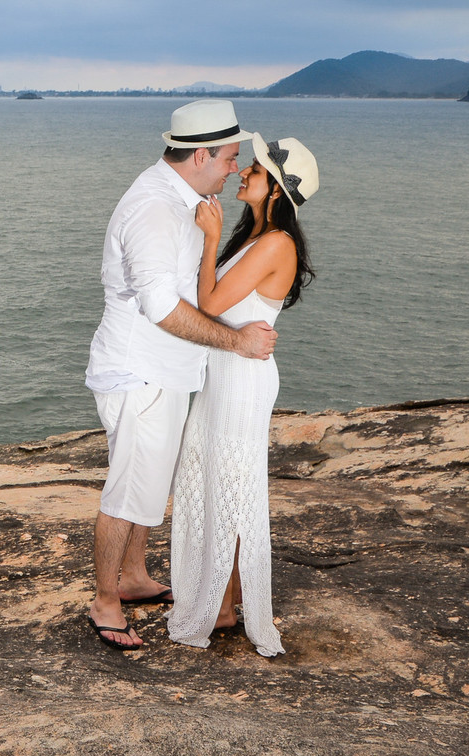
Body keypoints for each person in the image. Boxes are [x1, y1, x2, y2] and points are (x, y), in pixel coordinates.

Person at [84, 100, 278, 650]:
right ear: (200, 156)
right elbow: (161, 307)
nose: (235, 168)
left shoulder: (187, 201)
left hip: (165, 370)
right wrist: (237, 341)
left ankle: (133, 576)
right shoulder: (155, 208)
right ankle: (105, 601)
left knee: (149, 481)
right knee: (128, 490)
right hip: (139, 371)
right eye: (230, 158)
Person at [166, 133, 320, 657]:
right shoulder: (255, 236)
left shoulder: (276, 243)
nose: (243, 172)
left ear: (275, 189)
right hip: (223, 372)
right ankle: (222, 601)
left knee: (230, 490)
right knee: (214, 485)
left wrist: (210, 238)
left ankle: (225, 606)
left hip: (241, 379)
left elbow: (209, 303)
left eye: (255, 169)